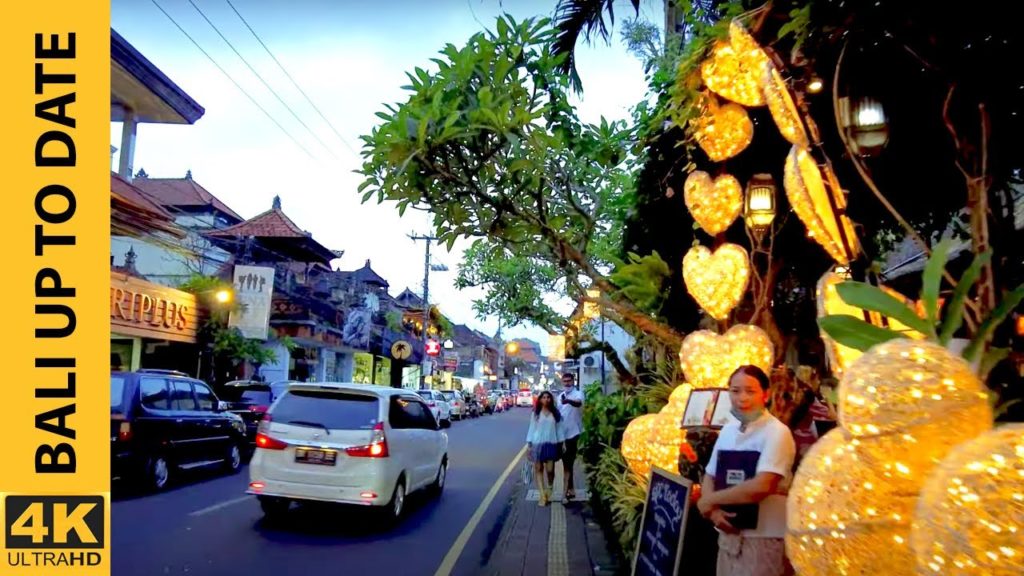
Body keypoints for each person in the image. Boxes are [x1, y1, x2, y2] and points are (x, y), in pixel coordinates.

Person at [697, 365, 797, 576]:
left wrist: (709, 501)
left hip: (764, 538)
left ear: (766, 394)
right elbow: (710, 474)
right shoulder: (728, 429)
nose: (742, 398)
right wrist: (713, 512)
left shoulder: (777, 432)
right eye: (735, 391)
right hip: (728, 536)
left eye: (750, 391)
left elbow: (762, 485)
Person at [526, 391, 564, 506]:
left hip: (551, 443)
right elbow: (532, 428)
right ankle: (542, 495)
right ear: (540, 399)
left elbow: (559, 429)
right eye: (543, 397)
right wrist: (529, 445)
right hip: (537, 443)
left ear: (551, 400)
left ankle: (550, 488)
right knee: (538, 469)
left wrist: (562, 443)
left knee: (550, 470)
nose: (546, 399)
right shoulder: (536, 413)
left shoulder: (555, 413)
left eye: (548, 397)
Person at [558, 372, 585, 501]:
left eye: (569, 381)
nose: (567, 383)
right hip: (562, 435)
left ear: (573, 381)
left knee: (569, 462)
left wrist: (568, 401)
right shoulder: (559, 397)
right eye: (565, 381)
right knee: (566, 463)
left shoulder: (578, 394)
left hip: (574, 434)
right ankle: (570, 489)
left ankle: (568, 491)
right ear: (562, 382)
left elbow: (578, 403)